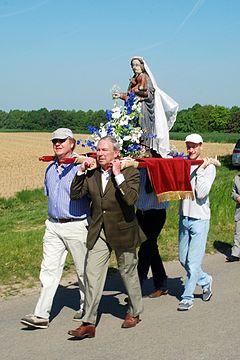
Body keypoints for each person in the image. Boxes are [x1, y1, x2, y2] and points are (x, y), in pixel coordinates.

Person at [68, 136, 144, 339]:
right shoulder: (92, 174)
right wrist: (80, 172)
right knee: (92, 274)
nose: (99, 154)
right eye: (98, 150)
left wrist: (118, 175)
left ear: (116, 153)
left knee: (127, 271)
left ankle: (134, 311)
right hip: (99, 230)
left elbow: (131, 199)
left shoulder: (131, 172)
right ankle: (88, 323)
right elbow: (75, 195)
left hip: (122, 230)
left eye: (104, 150)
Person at [21, 128, 92, 329]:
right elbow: (49, 195)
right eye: (54, 141)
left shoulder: (83, 167)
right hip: (53, 225)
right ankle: (41, 315)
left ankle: (87, 306)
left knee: (83, 270)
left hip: (77, 224)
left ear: (72, 143)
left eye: (62, 140)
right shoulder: (50, 169)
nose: (57, 144)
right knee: (48, 270)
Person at [178, 133, 216, 311]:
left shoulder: (208, 168)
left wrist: (200, 170)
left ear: (201, 146)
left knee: (193, 262)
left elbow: (201, 193)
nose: (191, 149)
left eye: (194, 146)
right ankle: (205, 280)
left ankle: (187, 297)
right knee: (182, 259)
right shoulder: (184, 164)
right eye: (188, 146)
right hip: (184, 217)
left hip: (200, 219)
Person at [112, 56, 179, 158]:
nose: (135, 67)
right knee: (134, 129)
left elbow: (150, 94)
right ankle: (134, 148)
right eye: (133, 65)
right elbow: (130, 95)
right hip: (134, 109)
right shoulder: (133, 80)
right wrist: (120, 95)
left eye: (137, 65)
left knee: (143, 128)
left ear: (142, 66)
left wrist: (139, 94)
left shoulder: (145, 77)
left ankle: (144, 148)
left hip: (144, 109)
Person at [136, 167, 168, 297]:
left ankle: (136, 288)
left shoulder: (159, 163)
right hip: (141, 213)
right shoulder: (137, 164)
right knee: (151, 248)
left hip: (156, 212)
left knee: (145, 249)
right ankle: (161, 284)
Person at [226, 174, 240, 262]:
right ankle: (235, 254)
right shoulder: (237, 178)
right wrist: (237, 197)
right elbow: (233, 192)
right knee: (238, 232)